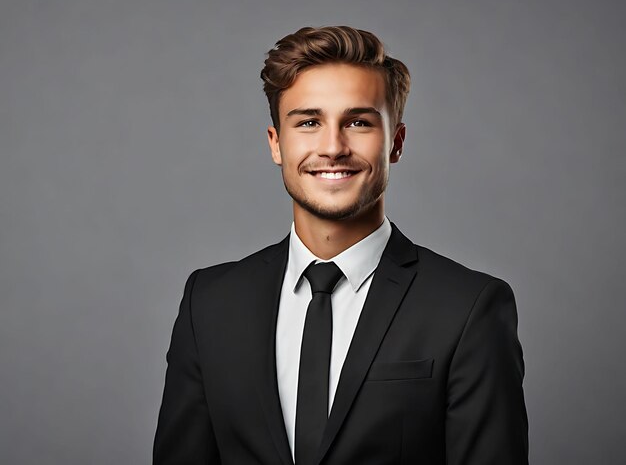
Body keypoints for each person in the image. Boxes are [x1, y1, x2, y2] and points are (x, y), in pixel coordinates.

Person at [153, 26, 528, 465]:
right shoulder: (210, 303)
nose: (333, 147)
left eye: (359, 122)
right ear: (276, 143)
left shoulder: (468, 308)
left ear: (396, 143)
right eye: (309, 122)